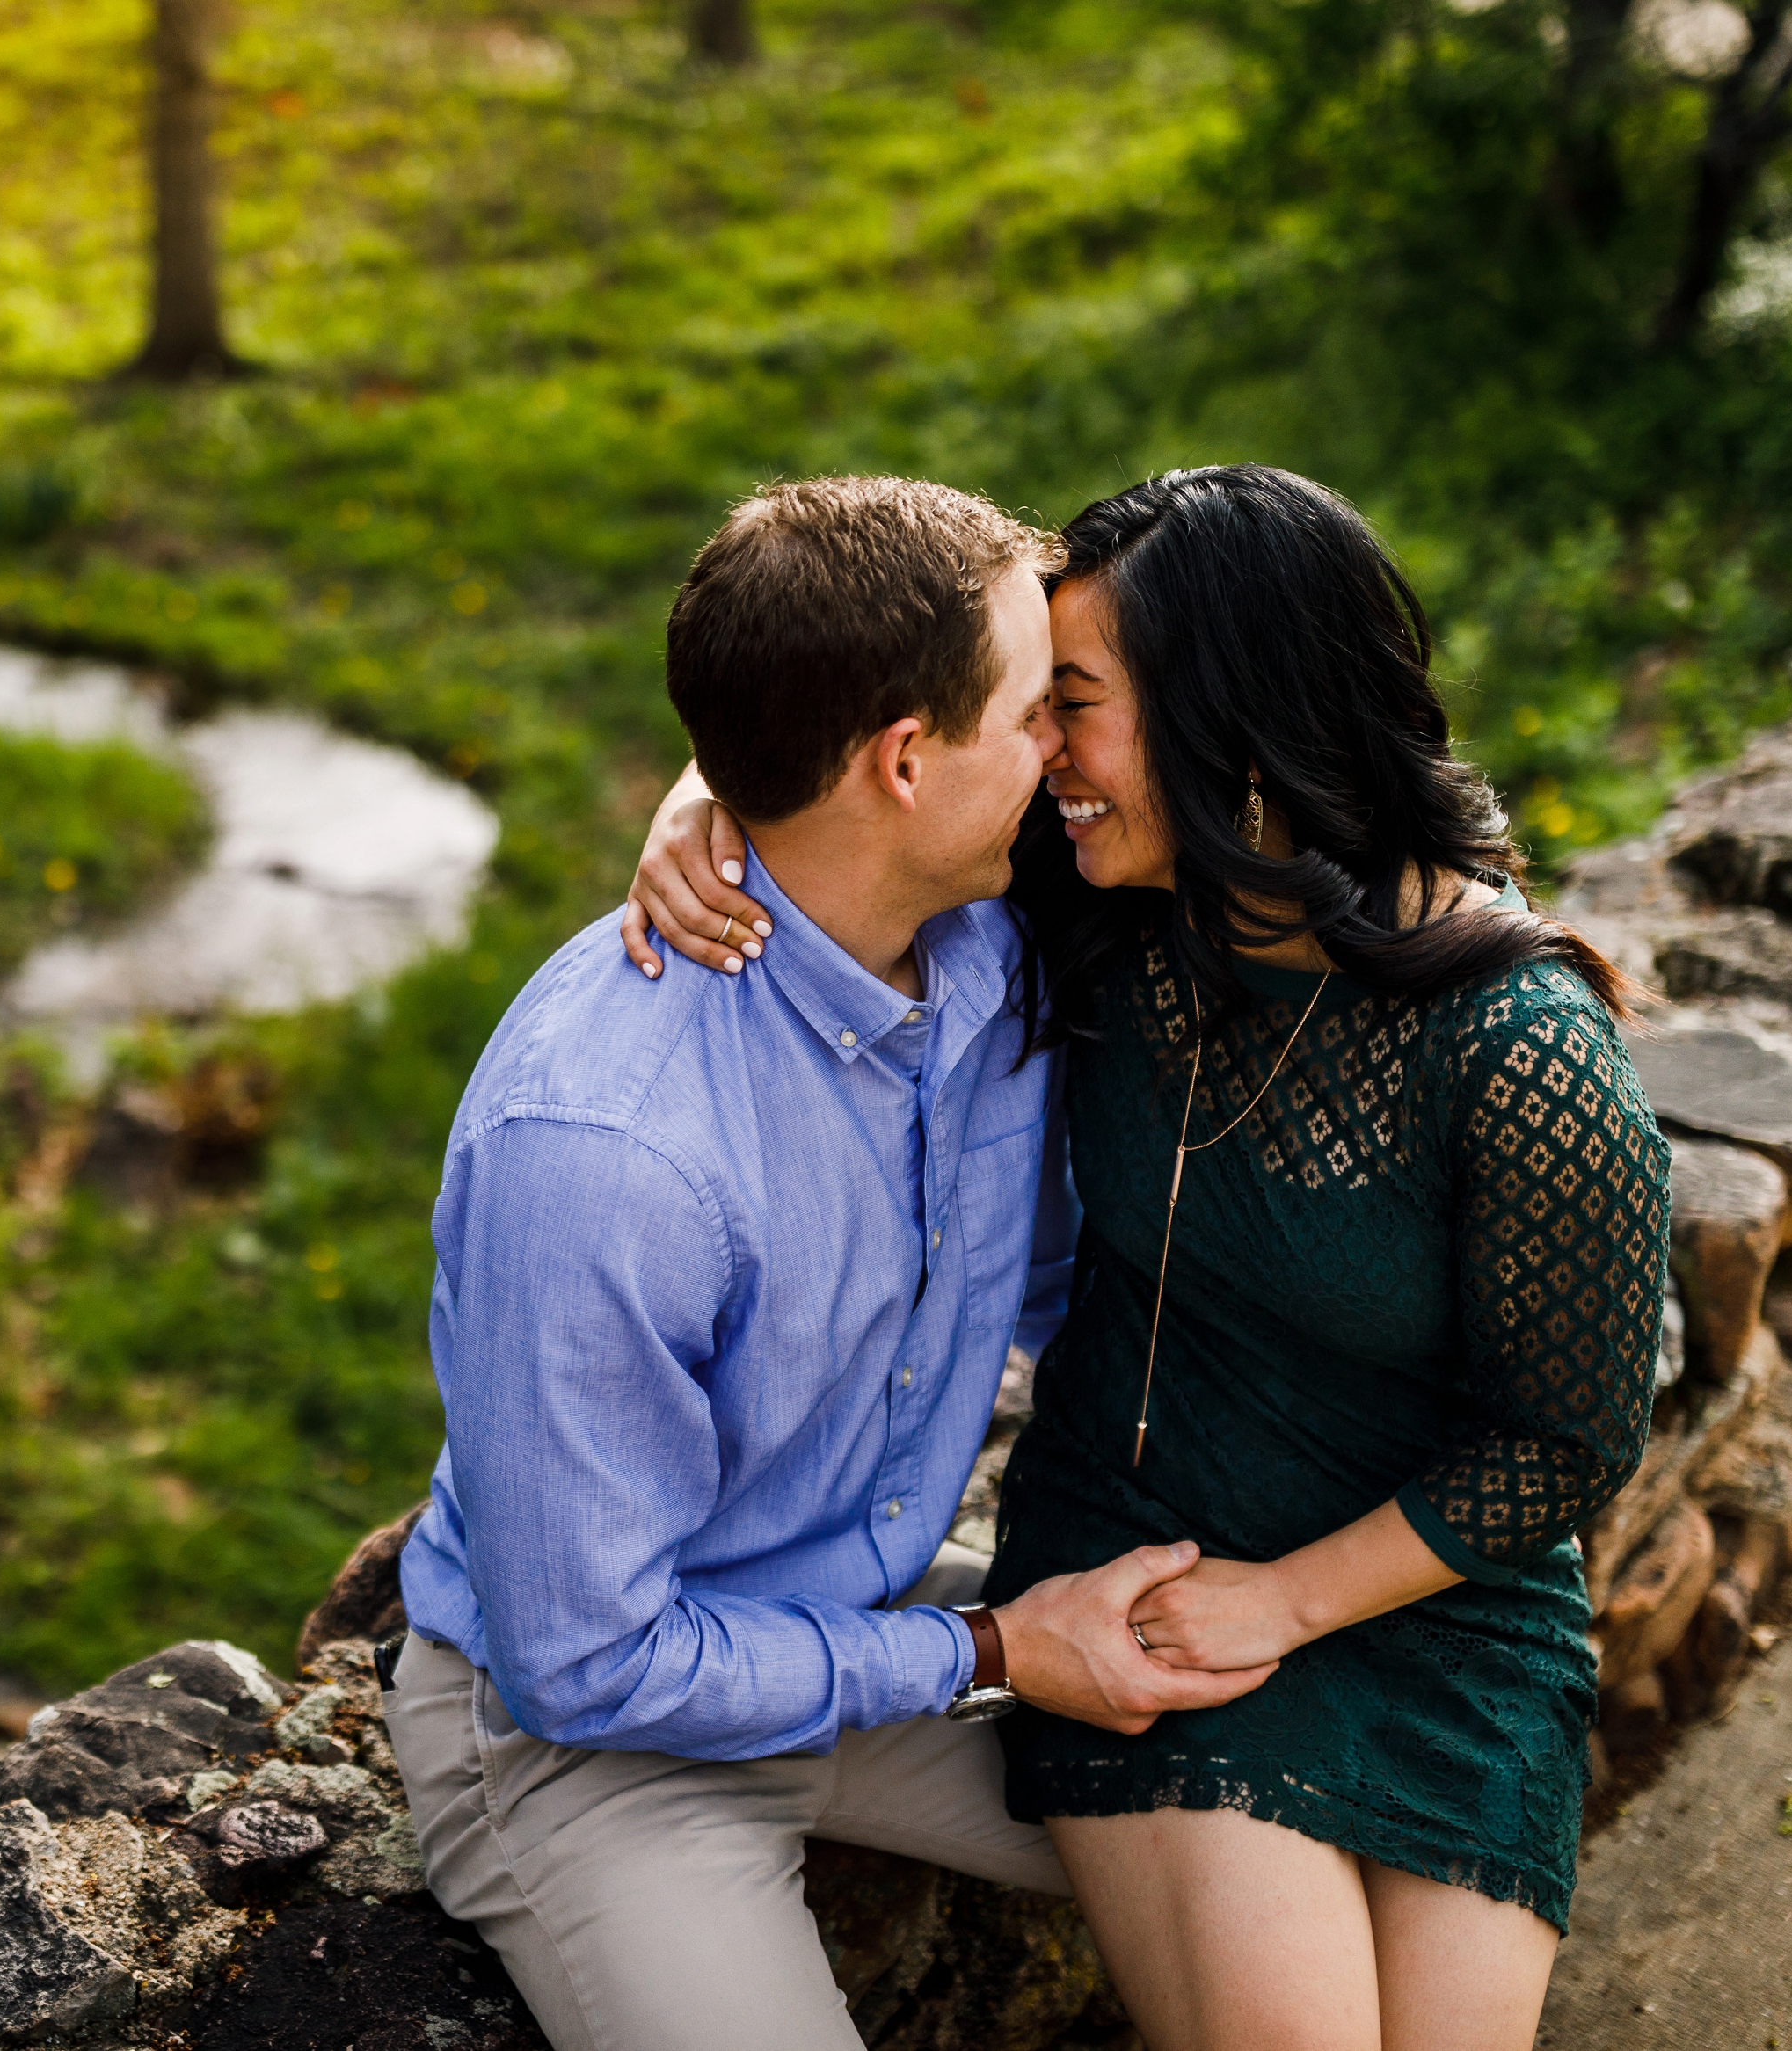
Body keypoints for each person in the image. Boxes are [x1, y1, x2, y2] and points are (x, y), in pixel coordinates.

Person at [624, 464, 1672, 2051]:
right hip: (1143, 1571)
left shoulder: (1519, 1047)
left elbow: (1570, 1440)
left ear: (1229, 728)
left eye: (1076, 703)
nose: (1043, 753)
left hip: (1433, 1611)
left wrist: (1296, 1602)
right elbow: (843, 768)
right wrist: (704, 811)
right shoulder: (1093, 897)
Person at [384, 476, 1281, 2051]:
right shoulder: (604, 1152)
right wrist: (996, 1648)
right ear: (907, 760)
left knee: (1303, 1777)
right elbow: (589, 1658)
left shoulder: (994, 936)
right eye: (1034, 716)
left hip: (852, 1619)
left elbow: (1260, 716)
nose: (1067, 751)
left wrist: (720, 779)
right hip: (589, 1739)